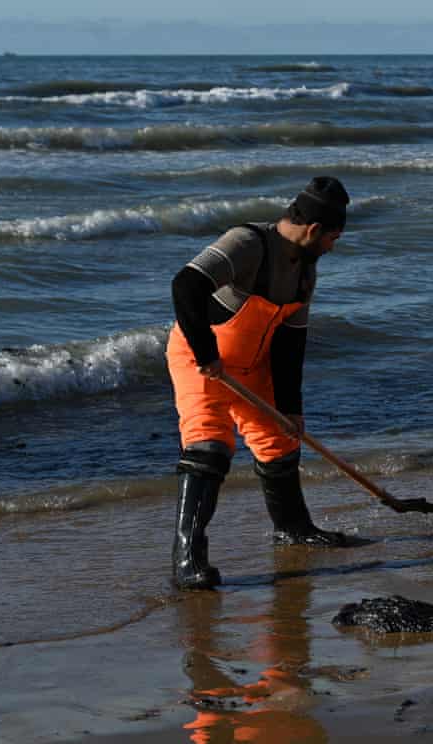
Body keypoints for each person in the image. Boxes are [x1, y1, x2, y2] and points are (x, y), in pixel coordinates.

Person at [167, 176, 353, 591]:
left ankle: (293, 528)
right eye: (332, 238)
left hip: (253, 366)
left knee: (281, 442)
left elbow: (290, 343)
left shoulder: (306, 272)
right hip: (201, 363)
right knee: (210, 448)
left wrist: (292, 408)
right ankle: (187, 559)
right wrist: (206, 353)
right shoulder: (247, 242)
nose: (331, 248)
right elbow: (185, 286)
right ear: (313, 230)